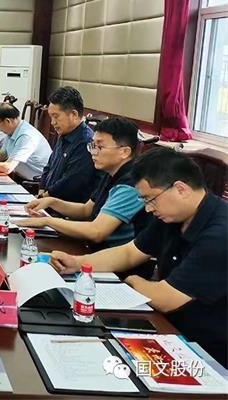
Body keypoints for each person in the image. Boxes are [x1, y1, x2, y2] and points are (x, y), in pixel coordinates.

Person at [49, 147, 227, 367]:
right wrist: (77, 263)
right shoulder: (172, 215)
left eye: (150, 199)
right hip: (170, 329)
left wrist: (133, 280)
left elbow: (166, 299)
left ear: (181, 189)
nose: (148, 209)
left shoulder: (220, 234)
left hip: (209, 352)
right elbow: (130, 252)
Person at [17, 117, 149, 249]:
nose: (93, 152)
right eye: (92, 146)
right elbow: (86, 210)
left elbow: (97, 231)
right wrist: (52, 202)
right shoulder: (111, 172)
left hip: (112, 254)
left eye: (100, 147)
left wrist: (47, 221)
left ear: (124, 152)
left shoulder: (131, 184)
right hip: (94, 247)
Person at [39, 86, 97, 202]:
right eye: (51, 117)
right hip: (48, 200)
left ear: (74, 114)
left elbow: (71, 182)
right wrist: (41, 189)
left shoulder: (86, 141)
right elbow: (49, 166)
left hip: (66, 206)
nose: (52, 122)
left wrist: (44, 197)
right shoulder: (64, 134)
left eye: (56, 117)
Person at [0, 102, 52, 180]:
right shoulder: (13, 130)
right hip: (21, 178)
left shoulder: (25, 136)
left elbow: (8, 167)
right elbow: (2, 154)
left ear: (7, 121)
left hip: (37, 183)